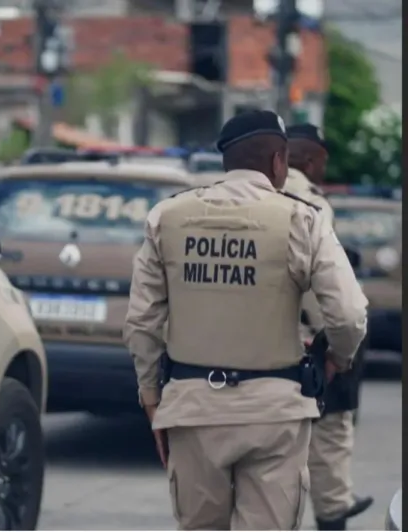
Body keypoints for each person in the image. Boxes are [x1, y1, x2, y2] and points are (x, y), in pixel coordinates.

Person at [124, 110, 369, 530]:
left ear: (227, 161)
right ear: (279, 161)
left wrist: (151, 397)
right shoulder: (303, 218)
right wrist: (338, 359)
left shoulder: (167, 218)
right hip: (274, 413)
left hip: (192, 407)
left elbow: (142, 322)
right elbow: (348, 314)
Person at [285, 123, 374, 530]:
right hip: (308, 335)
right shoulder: (310, 201)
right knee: (331, 425)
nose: (323, 171)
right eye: (322, 163)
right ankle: (333, 511)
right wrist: (339, 345)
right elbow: (321, 287)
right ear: (308, 160)